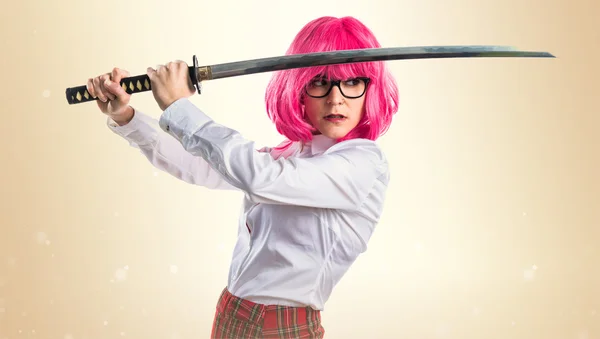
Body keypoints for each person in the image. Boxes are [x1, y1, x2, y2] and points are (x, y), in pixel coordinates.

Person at [86, 15, 399, 339]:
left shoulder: (364, 164)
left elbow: (260, 176)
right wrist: (126, 117)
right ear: (299, 90)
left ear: (370, 90)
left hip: (282, 326)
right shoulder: (293, 154)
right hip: (231, 310)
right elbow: (203, 165)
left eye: (351, 82)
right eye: (319, 81)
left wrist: (178, 107)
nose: (336, 98)